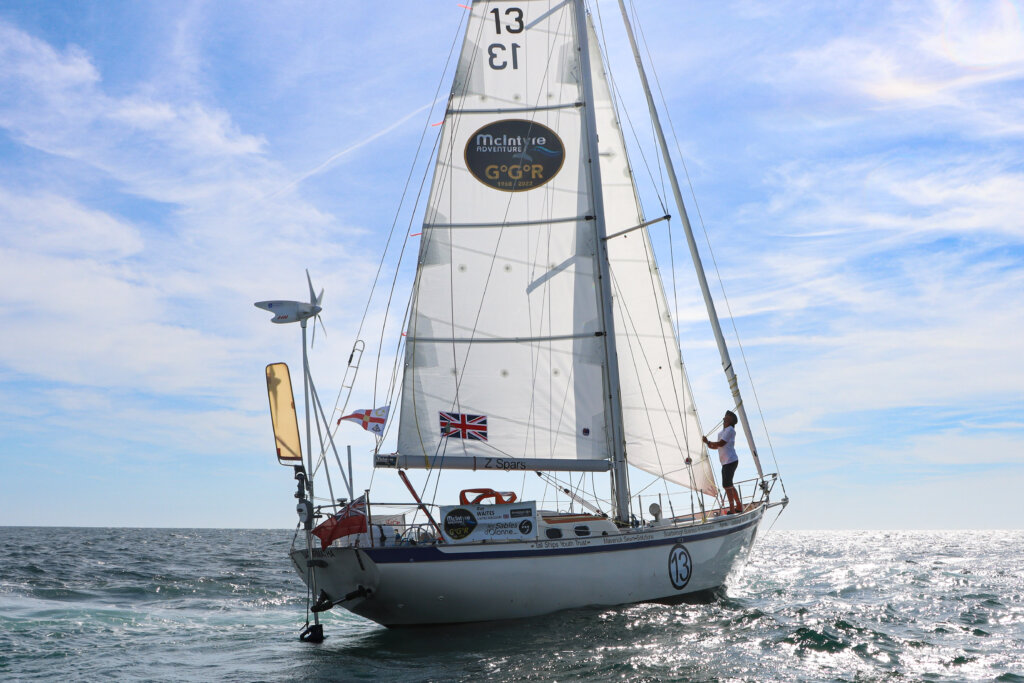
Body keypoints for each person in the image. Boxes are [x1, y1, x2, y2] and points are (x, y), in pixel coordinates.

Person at [703, 410, 742, 515]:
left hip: (731, 460)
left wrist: (708, 442)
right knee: (728, 485)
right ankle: (739, 506)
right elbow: (716, 446)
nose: (725, 416)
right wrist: (707, 443)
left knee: (727, 485)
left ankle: (733, 509)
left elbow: (721, 443)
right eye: (725, 415)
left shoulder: (730, 430)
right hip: (725, 462)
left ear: (731, 420)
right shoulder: (721, 432)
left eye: (728, 416)